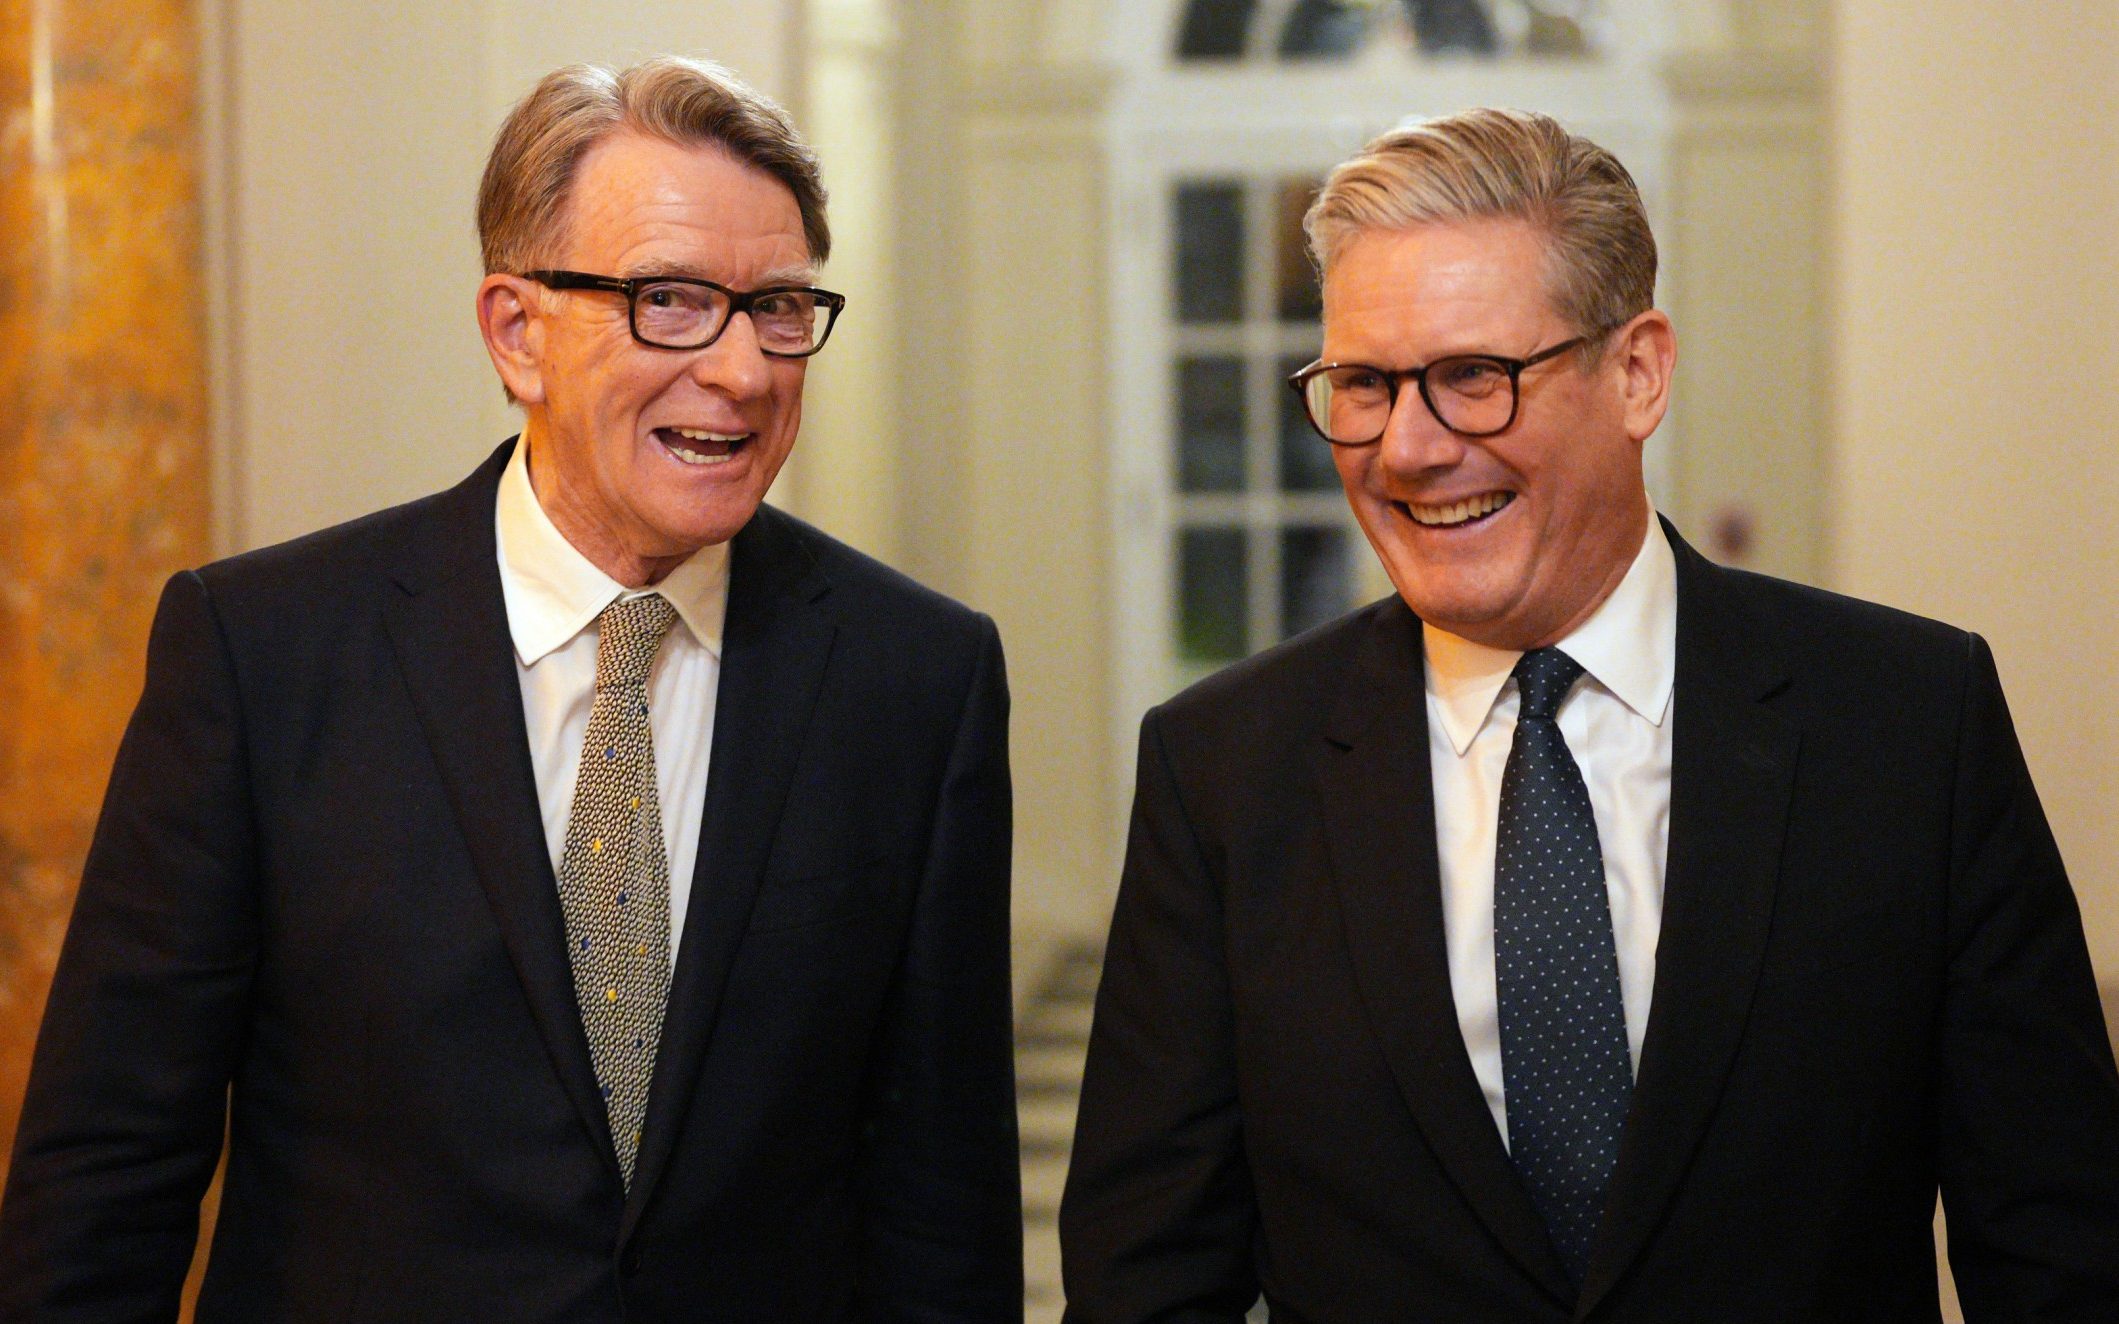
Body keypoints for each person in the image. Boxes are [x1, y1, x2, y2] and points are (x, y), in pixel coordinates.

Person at [0, 57, 1020, 1322]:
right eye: (672, 302)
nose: (746, 370)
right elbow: (108, 1170)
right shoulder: (262, 654)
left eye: (777, 308)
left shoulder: (915, 679)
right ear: (516, 332)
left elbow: (945, 1212)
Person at [1059, 108, 2119, 1321]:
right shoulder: (1225, 769)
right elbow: (1146, 1276)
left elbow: (2057, 1243)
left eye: (1473, 377)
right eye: (1361, 384)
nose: (1406, 447)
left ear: (1638, 372)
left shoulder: (1907, 726)